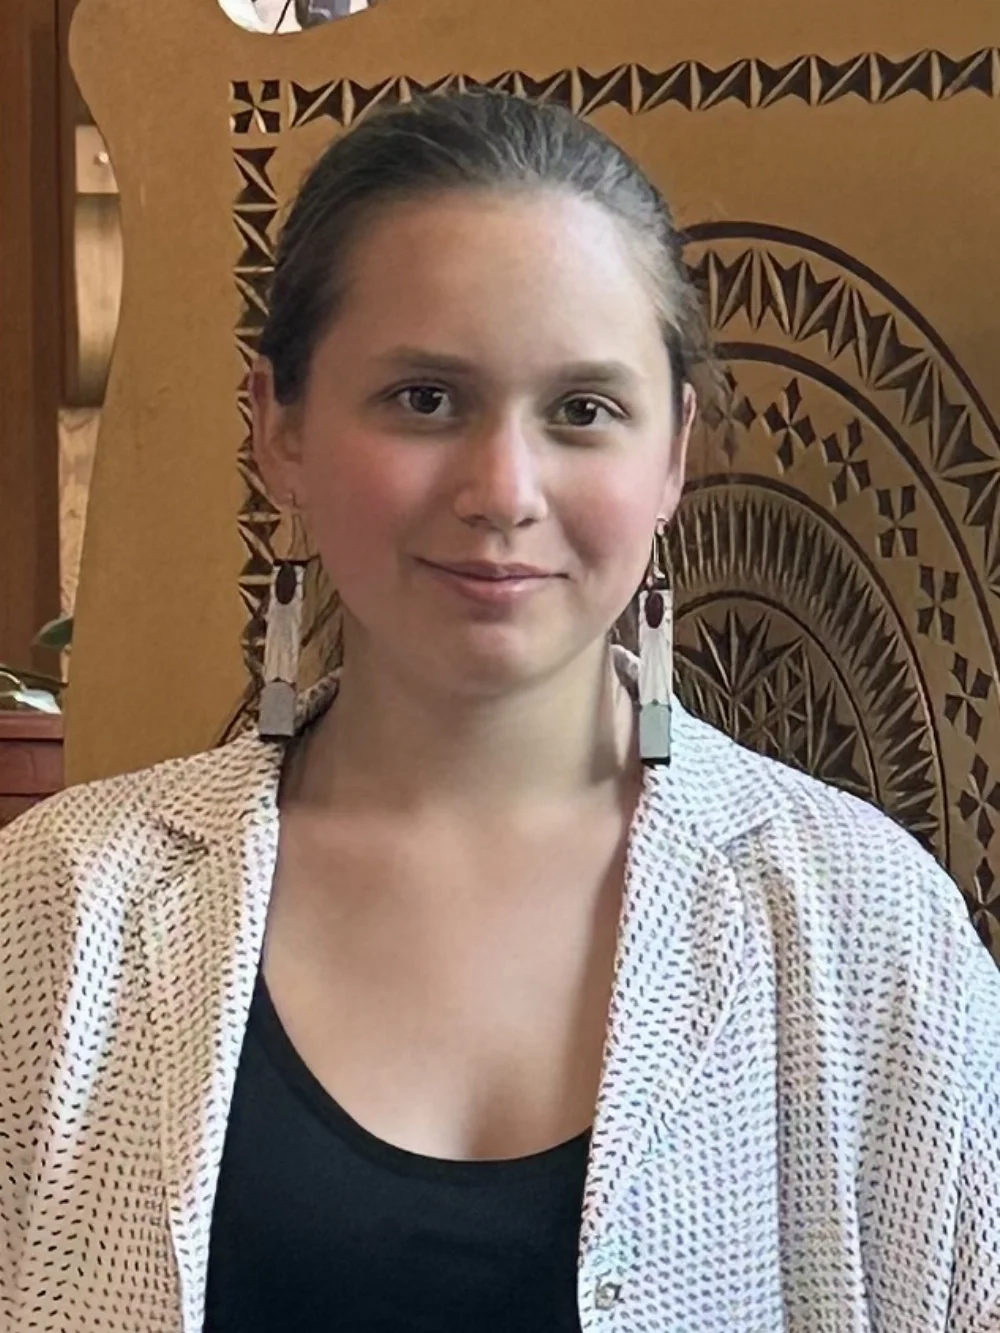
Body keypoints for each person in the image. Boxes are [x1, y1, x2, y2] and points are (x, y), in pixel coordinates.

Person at [1, 90, 998, 1333]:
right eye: (425, 398)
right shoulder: (57, 908)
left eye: (582, 410)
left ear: (673, 452)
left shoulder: (868, 929)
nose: (503, 490)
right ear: (280, 427)